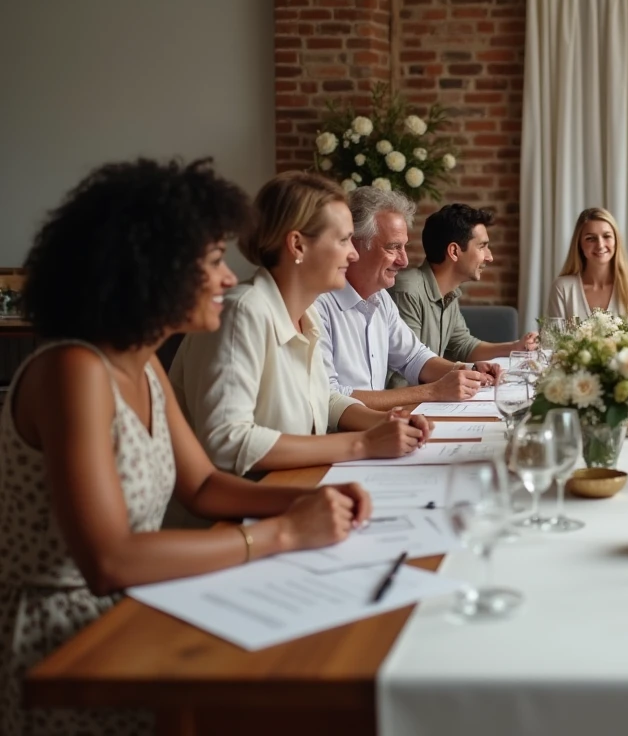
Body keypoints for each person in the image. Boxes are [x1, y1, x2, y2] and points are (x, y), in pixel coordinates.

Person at [1, 159, 373, 736]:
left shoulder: (144, 363)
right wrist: (283, 533)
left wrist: (311, 501)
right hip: (67, 642)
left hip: (142, 603)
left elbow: (201, 485)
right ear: (152, 267)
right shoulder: (73, 371)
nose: (227, 278)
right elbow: (109, 561)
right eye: (213, 260)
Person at [170, 172, 431, 475]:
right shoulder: (243, 311)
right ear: (297, 245)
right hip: (242, 500)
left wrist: (385, 422)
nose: (353, 253)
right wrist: (363, 443)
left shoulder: (307, 315)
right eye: (343, 240)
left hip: (293, 484)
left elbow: (324, 397)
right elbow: (227, 441)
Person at [316, 188, 502, 410]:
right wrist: (433, 391)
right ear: (354, 246)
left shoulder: (380, 298)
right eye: (393, 247)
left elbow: (414, 357)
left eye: (404, 247)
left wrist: (469, 370)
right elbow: (329, 398)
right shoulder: (319, 304)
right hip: (350, 430)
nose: (404, 261)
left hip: (378, 424)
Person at [391, 203, 537, 362]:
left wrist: (515, 347)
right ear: (454, 251)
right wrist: (468, 369)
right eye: (482, 246)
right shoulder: (407, 291)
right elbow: (412, 362)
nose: (489, 257)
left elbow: (464, 346)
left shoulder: (449, 294)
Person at [546, 207, 628, 320]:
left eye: (607, 236)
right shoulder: (562, 288)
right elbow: (553, 331)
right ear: (579, 244)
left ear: (616, 241)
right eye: (590, 238)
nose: (600, 245)